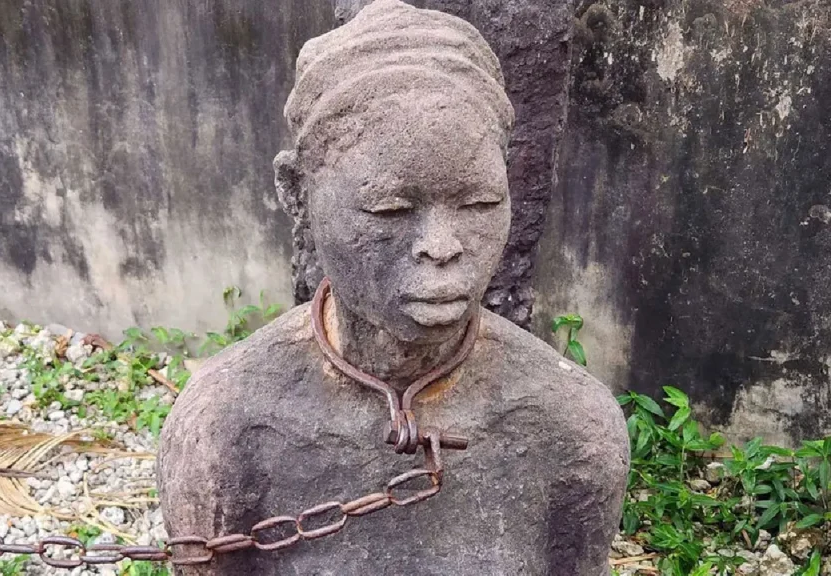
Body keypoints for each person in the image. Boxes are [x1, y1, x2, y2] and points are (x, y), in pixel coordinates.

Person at [159, 1, 630, 574]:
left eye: (480, 202)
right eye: (390, 208)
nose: (442, 245)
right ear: (295, 193)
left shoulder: (573, 425)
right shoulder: (224, 427)